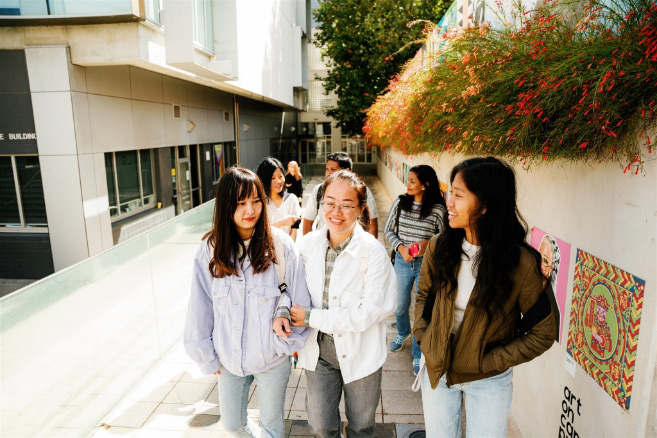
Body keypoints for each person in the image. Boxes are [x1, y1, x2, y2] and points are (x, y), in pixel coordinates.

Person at [413, 157, 557, 438]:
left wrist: (488, 361)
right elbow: (423, 298)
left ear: (486, 205)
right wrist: (424, 338)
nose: (448, 202)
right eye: (449, 193)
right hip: (437, 369)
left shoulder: (522, 264)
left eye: (458, 195)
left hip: (488, 381)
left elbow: (544, 332)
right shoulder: (439, 247)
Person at [184, 167, 311, 438]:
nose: (250, 210)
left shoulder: (281, 246)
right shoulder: (210, 249)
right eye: (240, 203)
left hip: (272, 359)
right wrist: (208, 356)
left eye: (255, 200)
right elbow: (200, 307)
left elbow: (300, 298)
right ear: (226, 206)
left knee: (272, 428)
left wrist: (284, 344)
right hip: (229, 359)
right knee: (232, 424)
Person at [289, 170, 396, 438]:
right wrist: (283, 310)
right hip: (319, 348)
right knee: (322, 426)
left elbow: (367, 313)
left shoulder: (373, 252)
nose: (336, 211)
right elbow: (289, 288)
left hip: (362, 349)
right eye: (329, 202)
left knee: (361, 426)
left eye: (347, 205)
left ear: (361, 208)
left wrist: (310, 317)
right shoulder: (308, 245)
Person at [384, 165, 446, 376]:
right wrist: (401, 248)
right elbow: (388, 230)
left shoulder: (438, 209)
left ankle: (418, 352)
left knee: (422, 310)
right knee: (401, 305)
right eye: (408, 180)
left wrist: (427, 245)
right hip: (402, 262)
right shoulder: (401, 203)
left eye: (412, 181)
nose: (407, 184)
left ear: (425, 184)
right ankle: (402, 332)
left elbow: (445, 238)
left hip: (427, 265)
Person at [302, 152, 379, 237]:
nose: (328, 173)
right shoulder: (318, 190)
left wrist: (369, 247)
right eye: (327, 169)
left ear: (347, 171)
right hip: (323, 246)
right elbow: (307, 222)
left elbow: (372, 224)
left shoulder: (363, 192)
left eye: (333, 169)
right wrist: (310, 248)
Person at [257, 157, 302, 241]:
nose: (278, 181)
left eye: (280, 176)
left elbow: (294, 230)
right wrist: (281, 223)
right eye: (273, 178)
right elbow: (257, 233)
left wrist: (288, 251)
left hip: (287, 251)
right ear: (264, 179)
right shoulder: (258, 202)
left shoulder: (291, 199)